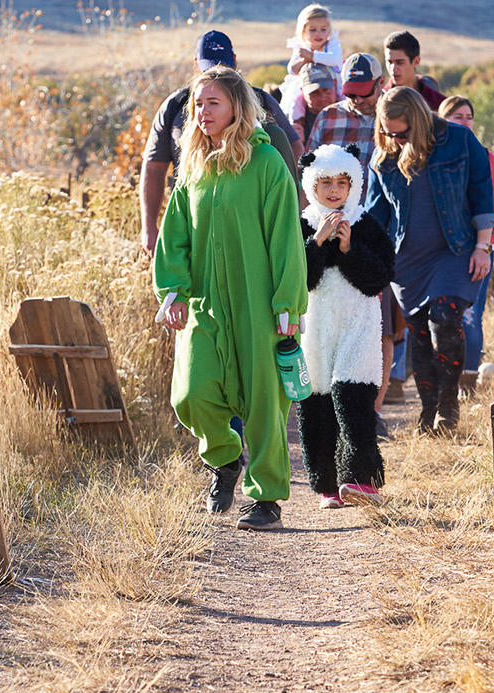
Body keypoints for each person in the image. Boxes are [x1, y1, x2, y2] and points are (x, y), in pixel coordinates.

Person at [153, 66, 308, 531]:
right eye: (198, 104)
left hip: (259, 302)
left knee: (264, 402)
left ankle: (266, 499)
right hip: (204, 303)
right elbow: (174, 234)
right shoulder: (193, 168)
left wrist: (288, 302)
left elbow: (286, 238)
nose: (202, 112)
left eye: (213, 102)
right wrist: (173, 290)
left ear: (238, 107)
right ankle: (224, 460)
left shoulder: (265, 164)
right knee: (190, 393)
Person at [364, 87, 494, 434]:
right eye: (389, 132)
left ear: (419, 120)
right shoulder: (384, 157)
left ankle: (449, 404)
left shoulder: (460, 140)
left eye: (402, 132)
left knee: (445, 317)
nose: (395, 138)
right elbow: (375, 216)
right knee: (419, 334)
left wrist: (483, 246)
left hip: (456, 251)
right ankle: (429, 410)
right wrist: (367, 262)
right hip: (407, 260)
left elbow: (483, 191)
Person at [294, 144, 394, 508]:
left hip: (359, 325)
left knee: (352, 395)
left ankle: (363, 480)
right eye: (325, 182)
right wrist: (318, 241)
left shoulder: (365, 223)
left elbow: (380, 277)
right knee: (317, 401)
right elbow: (296, 279)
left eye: (342, 182)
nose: (334, 190)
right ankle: (327, 485)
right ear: (310, 183)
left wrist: (350, 249)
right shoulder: (302, 223)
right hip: (316, 327)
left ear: (354, 184)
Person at [140, 30, 302, 253]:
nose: (218, 73)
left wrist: (292, 211)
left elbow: (292, 147)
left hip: (248, 227)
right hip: (194, 221)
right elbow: (154, 166)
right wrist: (149, 227)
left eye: (224, 67)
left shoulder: (261, 102)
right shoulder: (175, 106)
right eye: (209, 67)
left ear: (234, 61)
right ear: (196, 64)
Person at [307, 52, 400, 432]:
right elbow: (310, 171)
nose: (358, 101)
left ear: (381, 86)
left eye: (365, 94)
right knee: (325, 318)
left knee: (381, 323)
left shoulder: (389, 120)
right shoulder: (329, 117)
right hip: (327, 227)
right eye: (352, 94)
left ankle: (371, 409)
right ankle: (327, 402)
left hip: (372, 227)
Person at [439, 94, 494, 384]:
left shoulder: (485, 157)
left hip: (480, 248)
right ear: (442, 119)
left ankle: (469, 378)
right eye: (458, 117)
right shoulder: (429, 154)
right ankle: (441, 380)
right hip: (440, 250)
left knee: (471, 315)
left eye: (469, 117)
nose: (465, 122)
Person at [384, 30, 446, 111]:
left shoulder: (439, 104)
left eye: (400, 62)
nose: (393, 69)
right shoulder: (379, 101)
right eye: (390, 62)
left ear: (416, 61)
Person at [291, 63, 337, 147]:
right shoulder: (292, 124)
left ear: (335, 84)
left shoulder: (355, 115)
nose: (323, 97)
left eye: (326, 90)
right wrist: (294, 144)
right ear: (302, 91)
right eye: (314, 92)